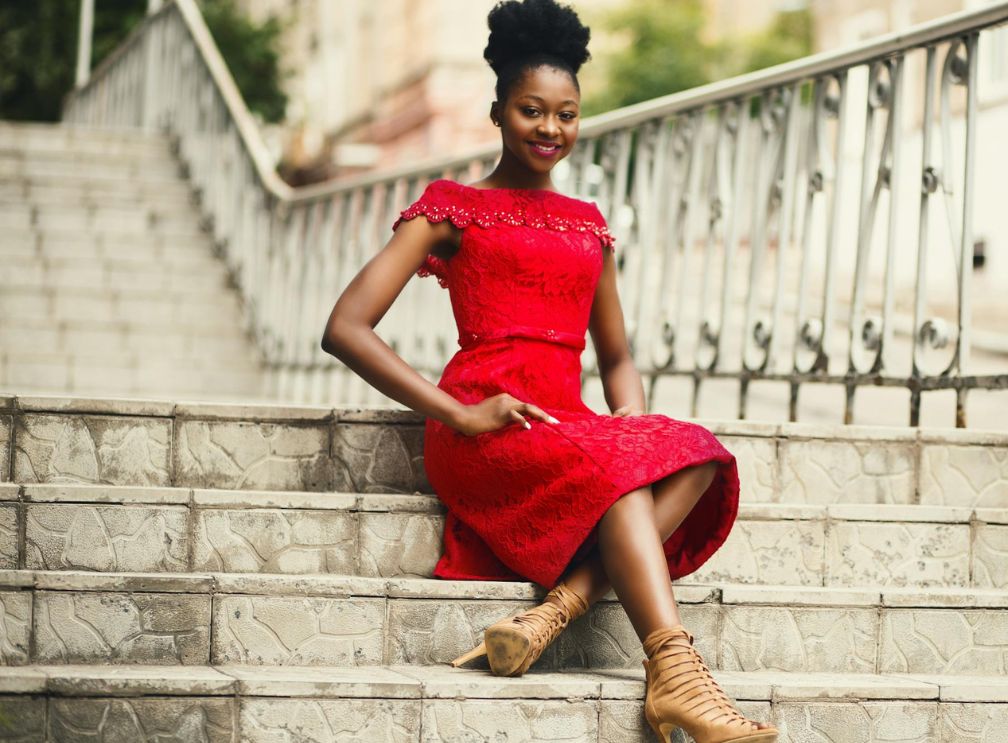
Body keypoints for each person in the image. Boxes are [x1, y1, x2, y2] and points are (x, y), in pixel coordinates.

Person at [321, 1, 777, 740]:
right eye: (532, 110)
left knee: (695, 454)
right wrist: (459, 413)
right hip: (485, 422)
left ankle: (553, 611)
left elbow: (617, 355)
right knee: (623, 475)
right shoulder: (451, 209)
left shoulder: (587, 224)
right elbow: (345, 327)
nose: (550, 129)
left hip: (568, 424)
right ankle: (674, 673)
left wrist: (629, 421)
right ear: (497, 109)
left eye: (566, 115)